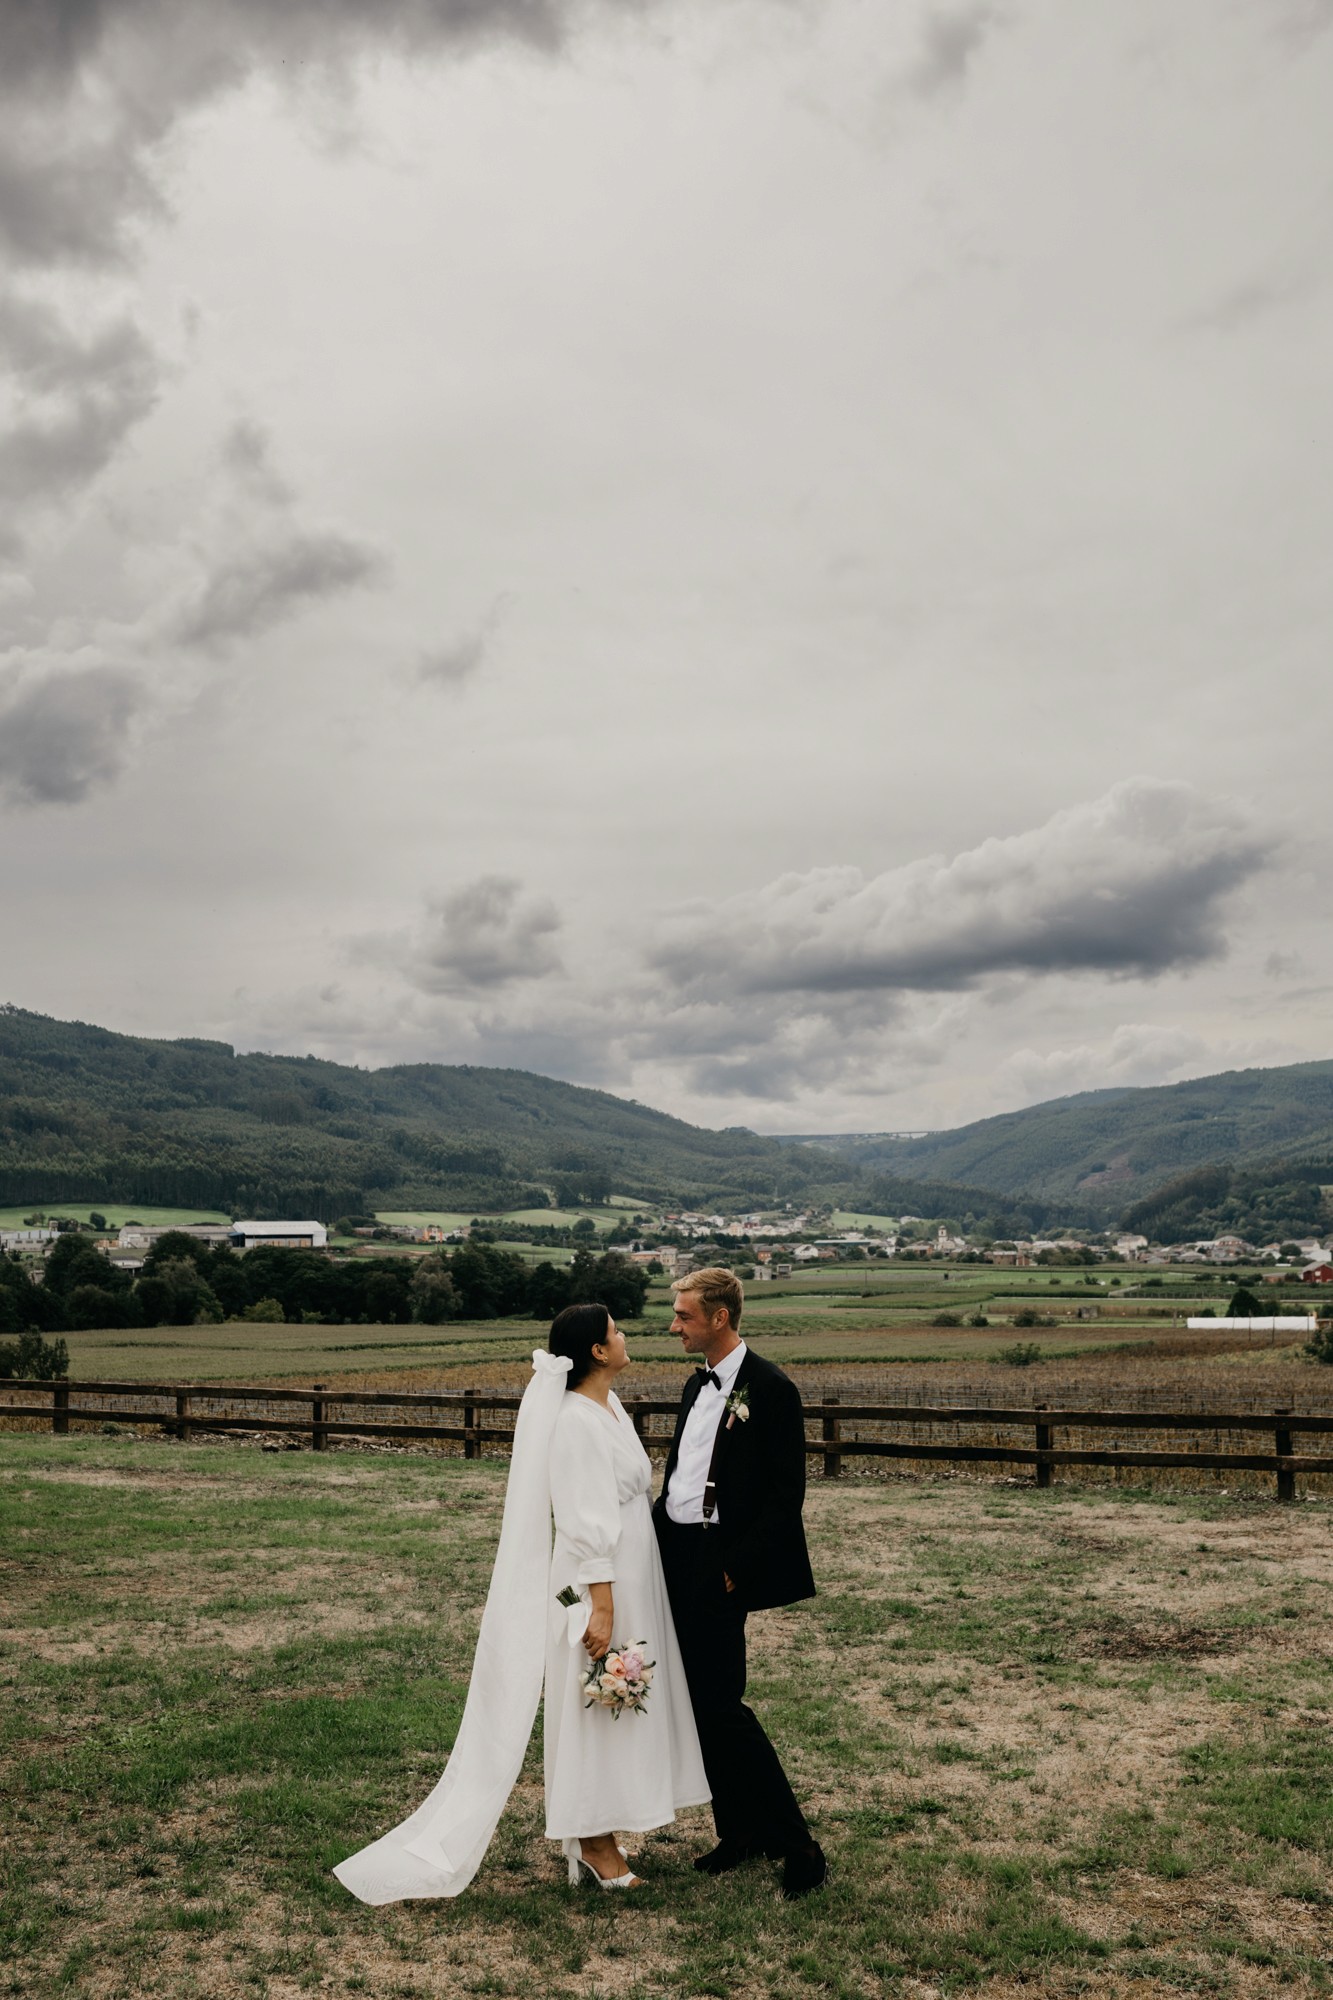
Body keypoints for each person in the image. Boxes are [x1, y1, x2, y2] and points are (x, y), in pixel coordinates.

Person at [333, 1303, 708, 1904]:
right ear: (595, 1350)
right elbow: (585, 1522)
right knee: (596, 1705)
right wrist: (602, 1607)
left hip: (634, 1576)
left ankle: (601, 1828)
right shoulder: (575, 1422)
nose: (625, 1336)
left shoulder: (608, 1407)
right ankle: (591, 1841)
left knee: (616, 1706)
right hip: (597, 1582)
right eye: (615, 1330)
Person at [652, 1266, 828, 1899]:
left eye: (684, 1316)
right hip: (672, 1553)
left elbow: (787, 1498)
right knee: (697, 1706)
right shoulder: (694, 1385)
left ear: (719, 1318)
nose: (674, 1325)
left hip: (717, 1561)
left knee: (722, 1707)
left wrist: (735, 1567)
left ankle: (798, 1846)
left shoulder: (772, 1389)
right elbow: (680, 1475)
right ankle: (740, 1833)